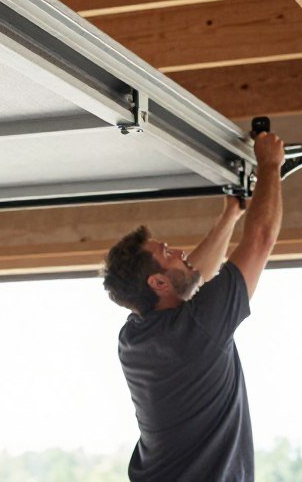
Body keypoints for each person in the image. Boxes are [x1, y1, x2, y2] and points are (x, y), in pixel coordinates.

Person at [102, 132, 285, 481]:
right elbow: (260, 239)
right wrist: (269, 165)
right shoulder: (175, 331)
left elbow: (190, 279)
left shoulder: (139, 335)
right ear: (156, 283)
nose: (179, 253)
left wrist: (230, 215)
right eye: (167, 253)